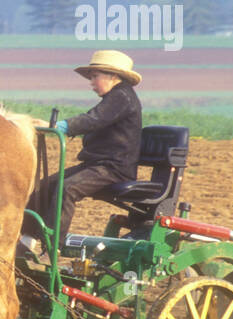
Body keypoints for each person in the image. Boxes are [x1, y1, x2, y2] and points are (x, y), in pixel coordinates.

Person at [23, 49, 143, 249]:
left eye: (95, 76)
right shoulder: (115, 97)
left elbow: (92, 120)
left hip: (114, 169)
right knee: (45, 186)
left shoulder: (122, 96)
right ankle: (27, 240)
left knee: (67, 189)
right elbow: (94, 120)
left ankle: (53, 247)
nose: (91, 83)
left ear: (112, 76)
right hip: (98, 165)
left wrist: (59, 127)